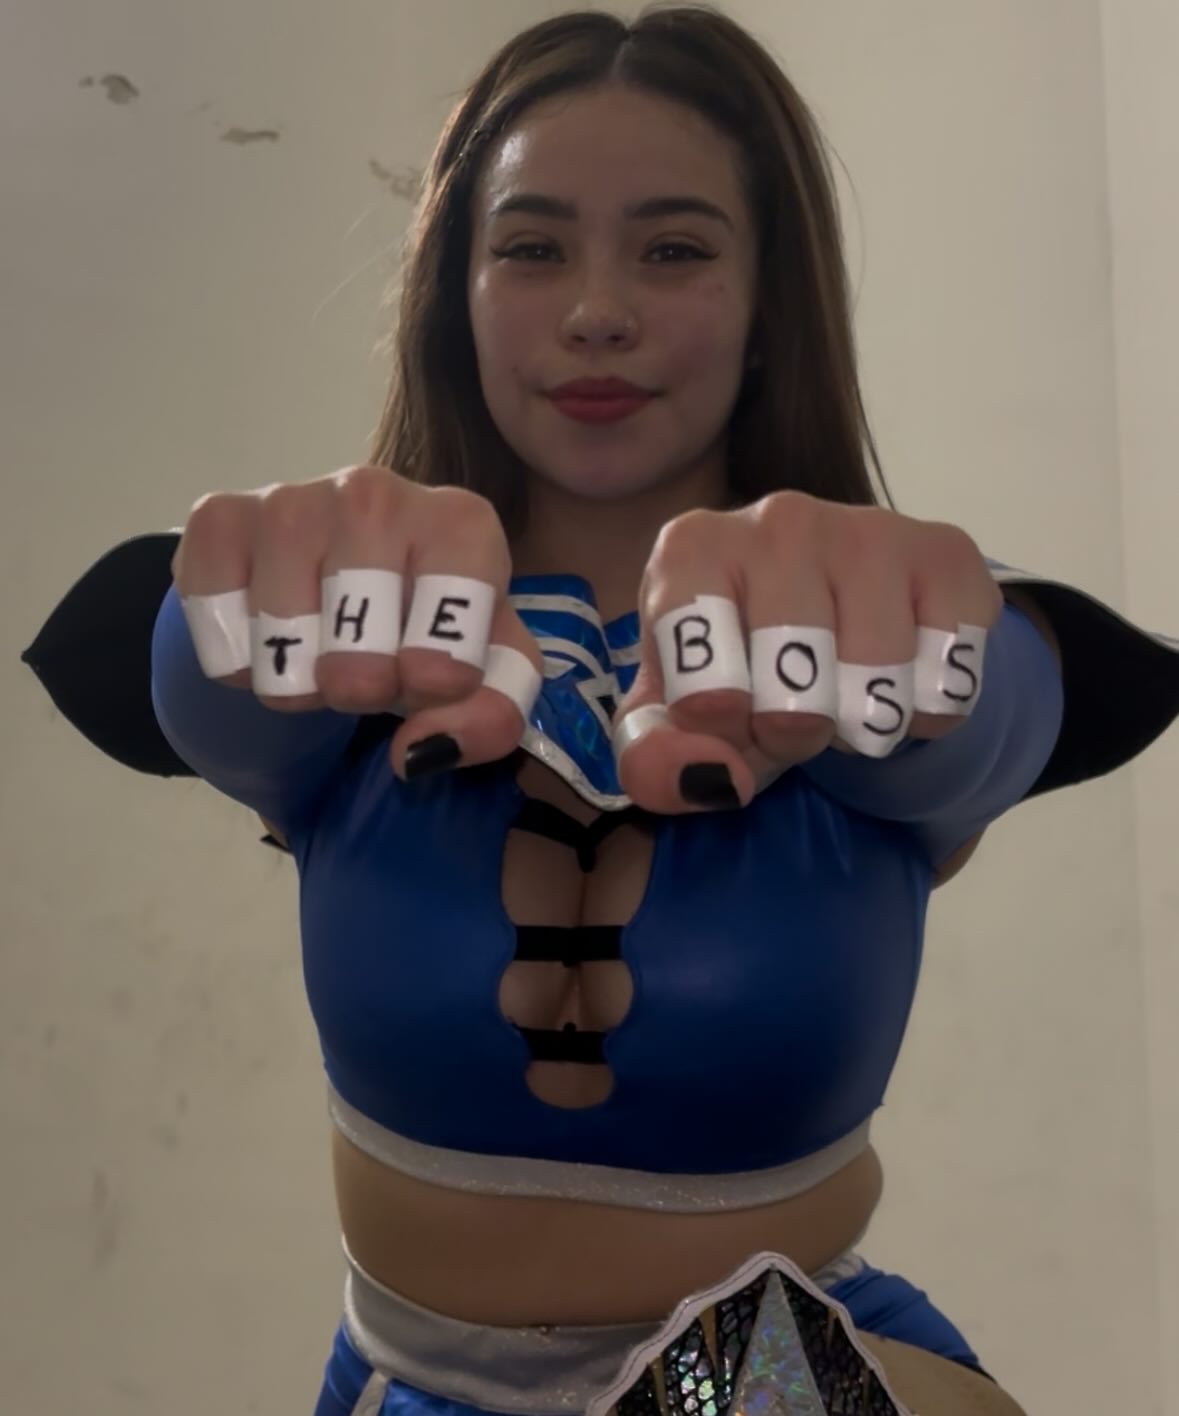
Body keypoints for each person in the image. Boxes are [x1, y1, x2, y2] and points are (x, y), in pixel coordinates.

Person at [21, 6, 1179, 1414]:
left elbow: (993, 720)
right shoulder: (356, 636)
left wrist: (946, 651)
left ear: (771, 302)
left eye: (674, 249)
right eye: (532, 247)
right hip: (413, 1383)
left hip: (768, 1375)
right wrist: (228, 606)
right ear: (453, 293)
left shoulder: (864, 646)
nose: (597, 311)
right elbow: (207, 691)